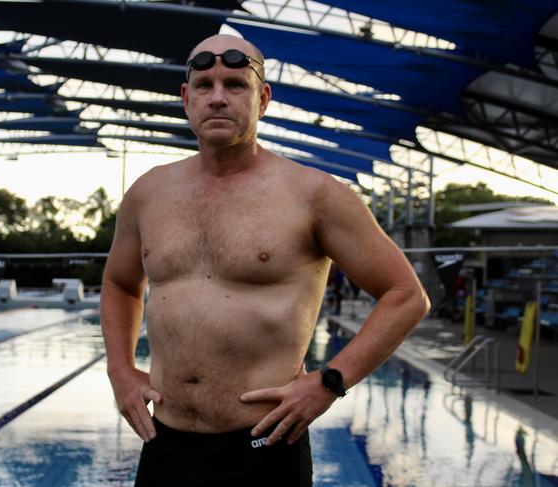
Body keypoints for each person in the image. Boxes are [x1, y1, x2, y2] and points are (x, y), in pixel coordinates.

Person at [100, 33, 430, 487]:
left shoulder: (314, 194)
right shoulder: (148, 194)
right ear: (185, 97)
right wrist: (120, 370)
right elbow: (120, 284)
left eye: (235, 84)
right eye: (204, 85)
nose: (218, 98)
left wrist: (329, 383)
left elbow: (406, 295)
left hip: (265, 443)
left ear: (263, 98)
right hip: (166, 439)